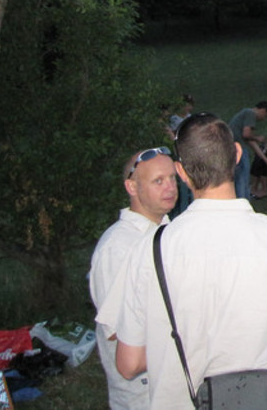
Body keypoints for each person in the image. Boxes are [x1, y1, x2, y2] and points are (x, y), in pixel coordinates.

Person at [103, 112, 267, 410]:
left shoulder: (149, 249)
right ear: (237, 155)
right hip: (262, 400)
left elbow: (129, 363)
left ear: (181, 172)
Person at [89, 147, 178, 410]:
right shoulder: (119, 247)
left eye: (172, 178)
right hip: (144, 394)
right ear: (132, 187)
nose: (170, 187)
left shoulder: (170, 233)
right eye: (158, 181)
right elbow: (118, 332)